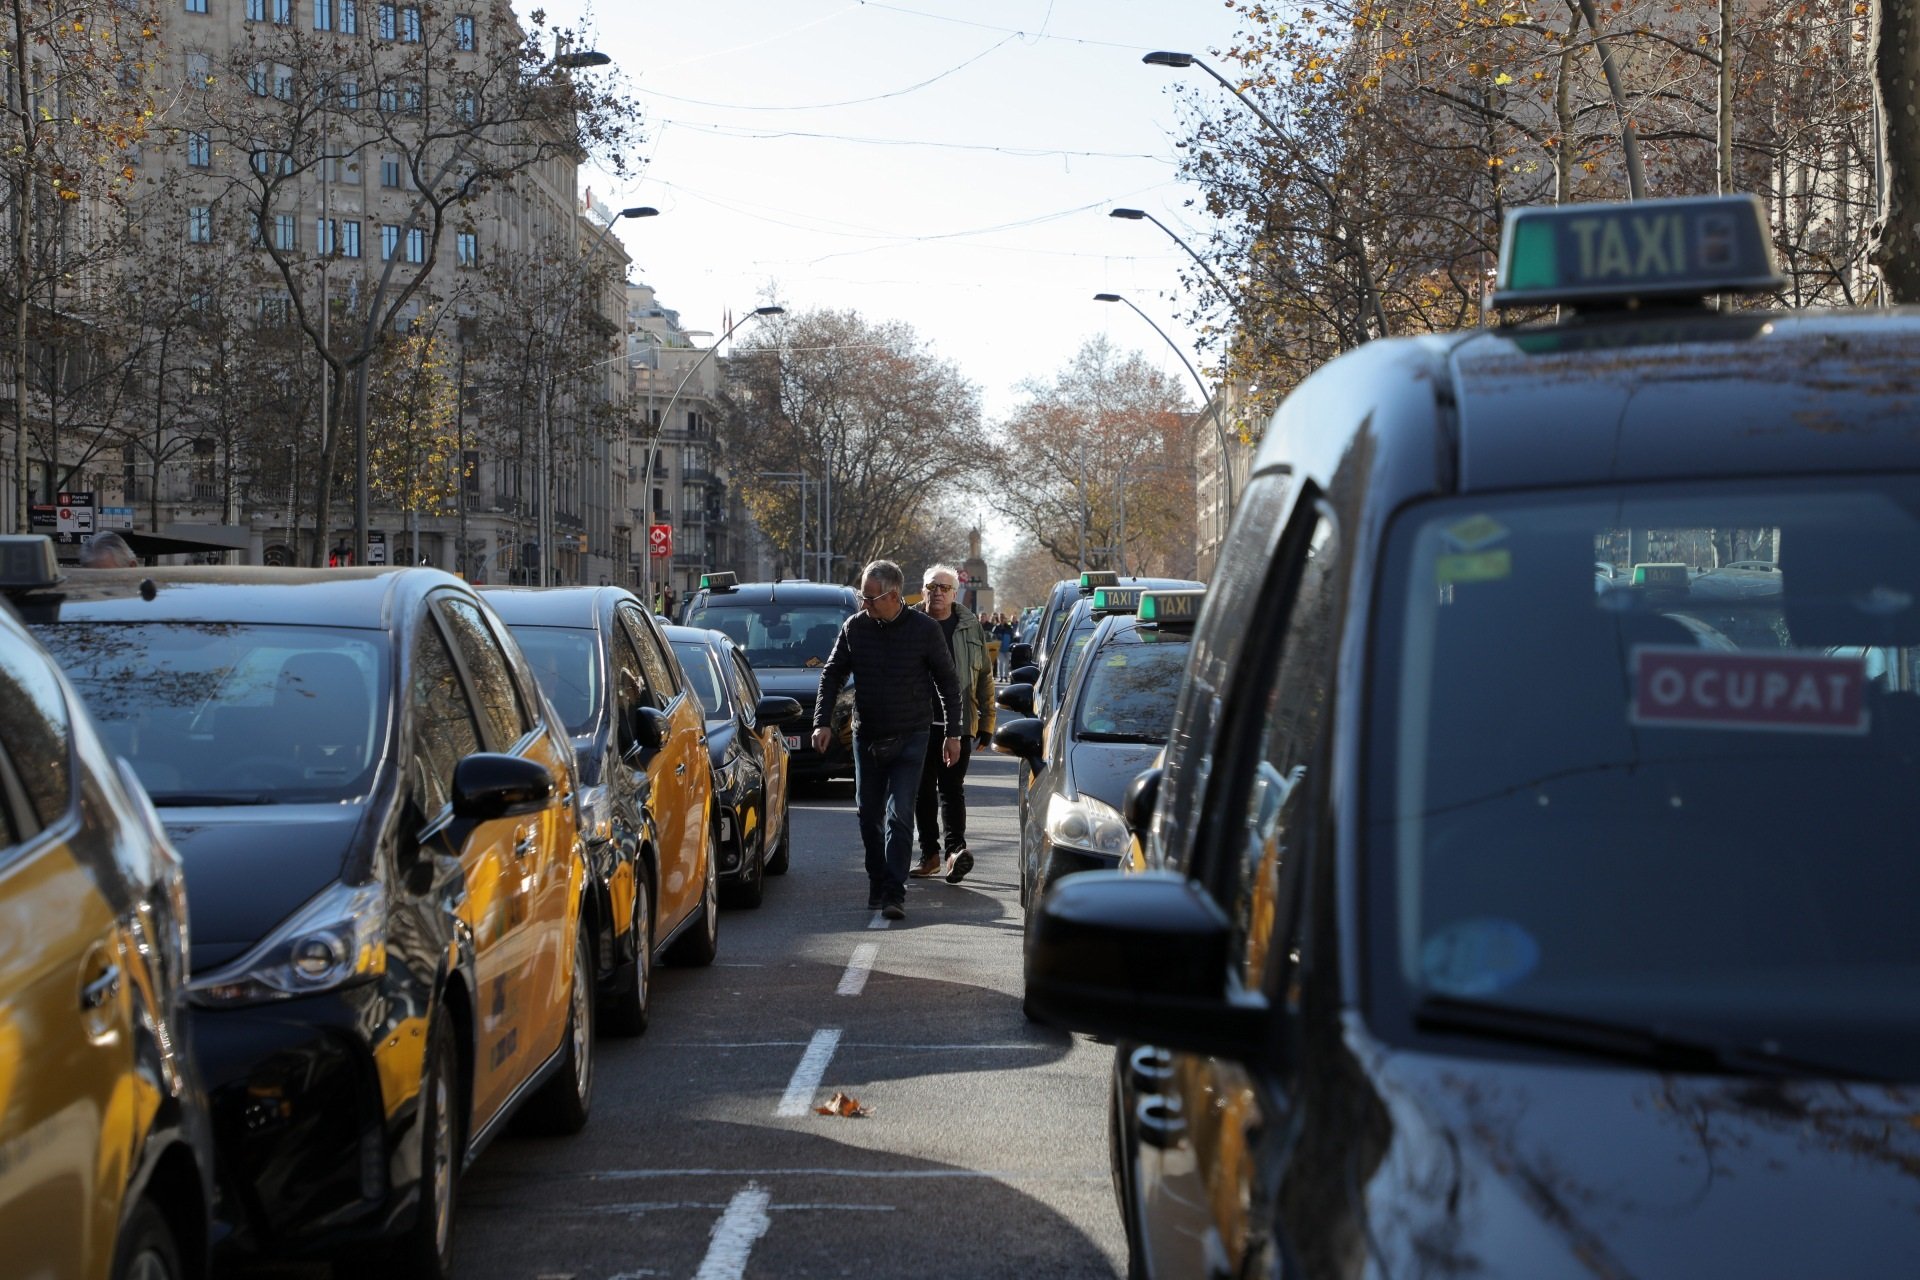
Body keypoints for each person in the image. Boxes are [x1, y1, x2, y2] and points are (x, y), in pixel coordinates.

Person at [813, 559, 961, 919]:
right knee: (868, 814)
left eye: (870, 597)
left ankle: (894, 892)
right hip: (868, 735)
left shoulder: (924, 630)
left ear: (893, 596)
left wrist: (953, 733)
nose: (864, 602)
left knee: (900, 815)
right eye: (863, 596)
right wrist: (822, 722)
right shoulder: (855, 628)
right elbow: (832, 674)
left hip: (912, 734)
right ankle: (877, 881)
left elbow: (948, 683)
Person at [910, 565, 993, 883]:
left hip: (958, 723)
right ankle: (929, 854)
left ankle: (955, 852)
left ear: (955, 593)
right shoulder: (909, 622)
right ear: (924, 589)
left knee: (951, 789)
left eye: (945, 588)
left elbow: (984, 675)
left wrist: (987, 721)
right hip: (916, 722)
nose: (938, 592)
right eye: (932, 586)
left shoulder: (970, 625)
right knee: (922, 790)